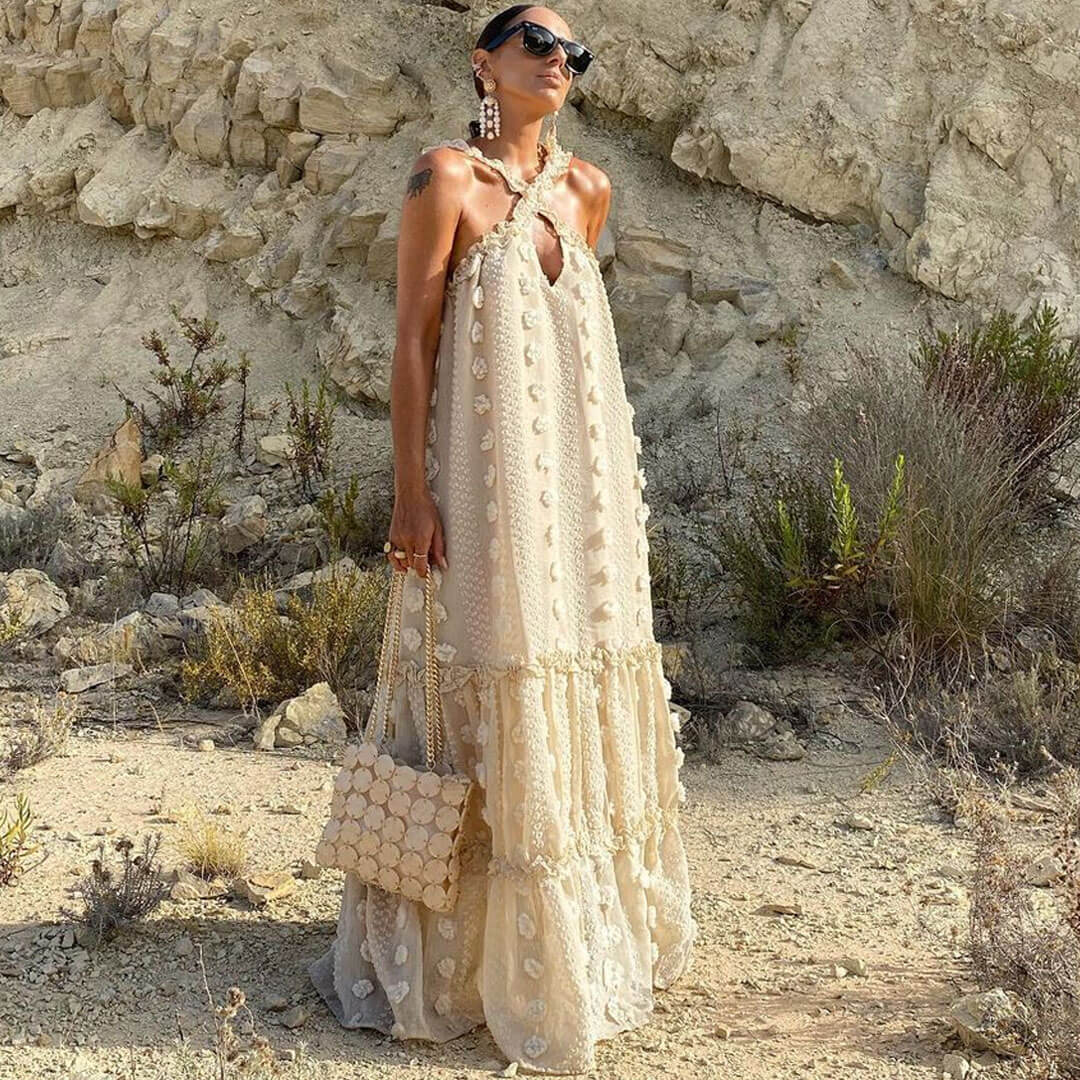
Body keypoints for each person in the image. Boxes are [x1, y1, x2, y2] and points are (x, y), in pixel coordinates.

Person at [309, 6, 698, 1073]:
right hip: (484, 490)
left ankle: (572, 943)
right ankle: (454, 956)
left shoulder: (588, 192)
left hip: (581, 489)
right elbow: (411, 346)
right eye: (536, 41)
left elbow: (564, 356)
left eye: (575, 51)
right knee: (489, 673)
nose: (559, 61)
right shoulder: (444, 180)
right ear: (483, 61)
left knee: (577, 668)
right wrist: (409, 494)